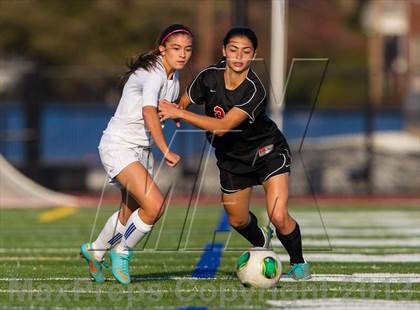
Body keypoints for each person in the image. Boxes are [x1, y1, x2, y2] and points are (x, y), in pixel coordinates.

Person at [158, 27, 310, 280]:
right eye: (233, 50)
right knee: (237, 220)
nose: (239, 56)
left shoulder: (254, 89)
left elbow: (224, 125)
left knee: (278, 215)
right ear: (223, 50)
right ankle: (263, 239)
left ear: (254, 55)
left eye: (246, 51)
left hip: (267, 153)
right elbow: (184, 100)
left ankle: (298, 262)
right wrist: (173, 108)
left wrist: (180, 114)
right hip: (231, 159)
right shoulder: (209, 77)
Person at [80, 24, 194, 284]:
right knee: (154, 206)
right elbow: (148, 113)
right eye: (176, 48)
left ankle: (95, 251)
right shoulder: (152, 73)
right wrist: (166, 149)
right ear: (162, 48)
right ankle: (122, 251)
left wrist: (176, 113)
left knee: (129, 212)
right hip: (118, 145)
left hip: (141, 150)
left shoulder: (173, 79)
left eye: (188, 49)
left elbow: (164, 109)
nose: (183, 54)